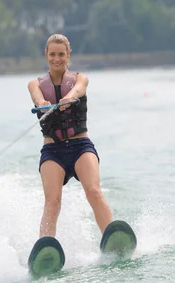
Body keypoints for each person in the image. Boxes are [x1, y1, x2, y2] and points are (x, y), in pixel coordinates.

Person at [27, 33, 113, 239]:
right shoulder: (35, 84)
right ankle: (46, 248)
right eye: (53, 54)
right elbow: (37, 97)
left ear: (68, 55)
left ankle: (112, 236)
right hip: (53, 151)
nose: (57, 59)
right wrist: (42, 104)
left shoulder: (80, 79)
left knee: (93, 191)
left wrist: (69, 97)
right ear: (46, 54)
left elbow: (79, 89)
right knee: (52, 201)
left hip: (80, 146)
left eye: (61, 54)